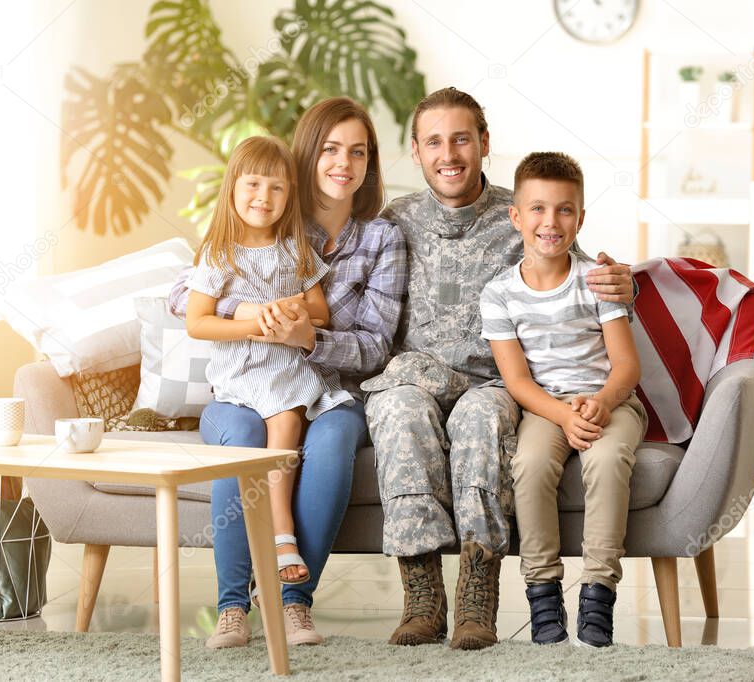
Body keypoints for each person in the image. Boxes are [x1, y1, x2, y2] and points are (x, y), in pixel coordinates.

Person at [361, 87, 637, 651]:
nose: (449, 154)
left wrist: (624, 282)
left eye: (461, 138)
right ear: (416, 152)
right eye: (434, 141)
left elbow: (575, 267)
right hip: (417, 376)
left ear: (483, 143)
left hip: (498, 382)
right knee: (394, 406)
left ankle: (477, 596)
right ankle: (421, 597)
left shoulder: (523, 212)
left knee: (482, 418)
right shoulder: (397, 220)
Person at [170, 101, 407, 648]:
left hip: (323, 387)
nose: (343, 162)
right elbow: (183, 296)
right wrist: (251, 315)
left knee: (331, 438)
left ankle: (292, 602)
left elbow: (375, 347)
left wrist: (308, 336)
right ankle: (232, 606)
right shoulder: (267, 216)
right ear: (307, 156)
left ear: (370, 164)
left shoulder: (380, 238)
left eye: (358, 151)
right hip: (241, 382)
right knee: (247, 441)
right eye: (329, 148)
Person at [480, 152, 647, 648]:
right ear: (516, 216)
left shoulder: (598, 280)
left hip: (609, 401)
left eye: (564, 210)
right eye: (536, 209)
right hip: (545, 407)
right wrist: (561, 415)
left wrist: (600, 402)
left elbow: (627, 367)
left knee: (610, 456)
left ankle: (598, 590)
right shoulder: (500, 294)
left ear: (581, 217)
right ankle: (542, 589)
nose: (550, 222)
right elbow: (517, 380)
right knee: (529, 464)